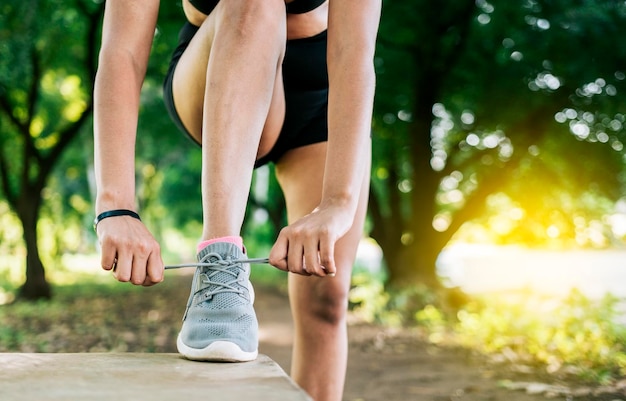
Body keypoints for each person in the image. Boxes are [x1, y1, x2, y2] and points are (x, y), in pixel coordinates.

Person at [93, 0, 381, 400]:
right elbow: (122, 49)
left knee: (327, 298)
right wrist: (115, 205)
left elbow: (355, 53)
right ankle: (219, 259)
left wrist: (338, 203)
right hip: (219, 64)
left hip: (324, 94)